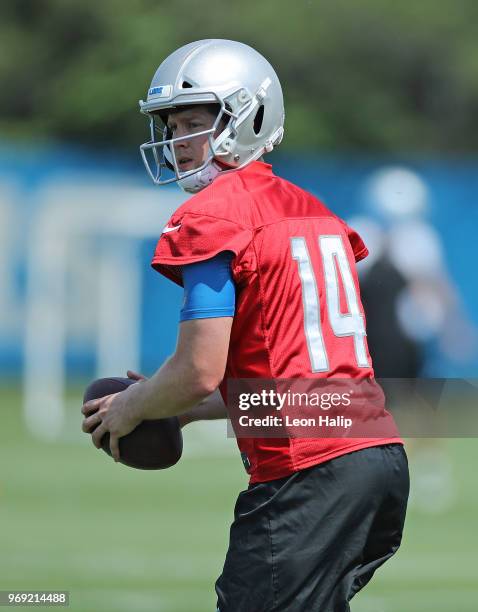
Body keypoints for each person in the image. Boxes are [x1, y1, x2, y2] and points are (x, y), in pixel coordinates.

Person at [81, 39, 409, 612]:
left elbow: (200, 370)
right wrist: (176, 408)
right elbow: (303, 389)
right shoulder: (314, 211)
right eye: (171, 125)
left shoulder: (214, 213)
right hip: (375, 460)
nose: (176, 142)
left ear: (247, 117)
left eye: (192, 124)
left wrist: (134, 405)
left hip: (309, 473)